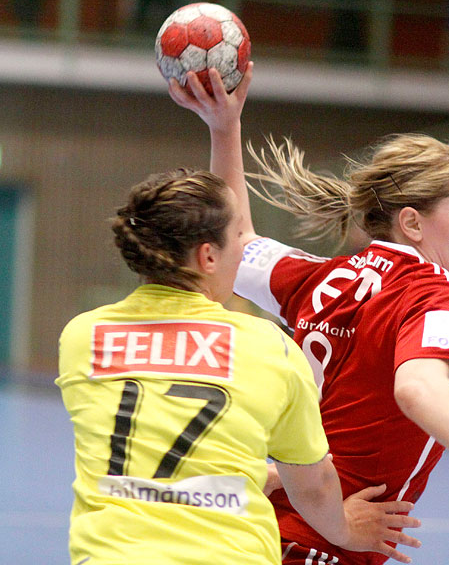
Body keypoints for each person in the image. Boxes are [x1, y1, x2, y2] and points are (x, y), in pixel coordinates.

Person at [168, 65, 449, 565]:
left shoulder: (326, 277)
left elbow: (237, 242)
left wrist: (224, 127)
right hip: (331, 543)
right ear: (412, 222)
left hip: (253, 529)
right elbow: (417, 388)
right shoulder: (442, 294)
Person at [56, 169, 422, 565]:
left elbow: (157, 458)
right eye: (237, 240)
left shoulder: (83, 337)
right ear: (208, 256)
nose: (244, 252)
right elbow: (314, 488)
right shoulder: (268, 347)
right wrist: (347, 530)